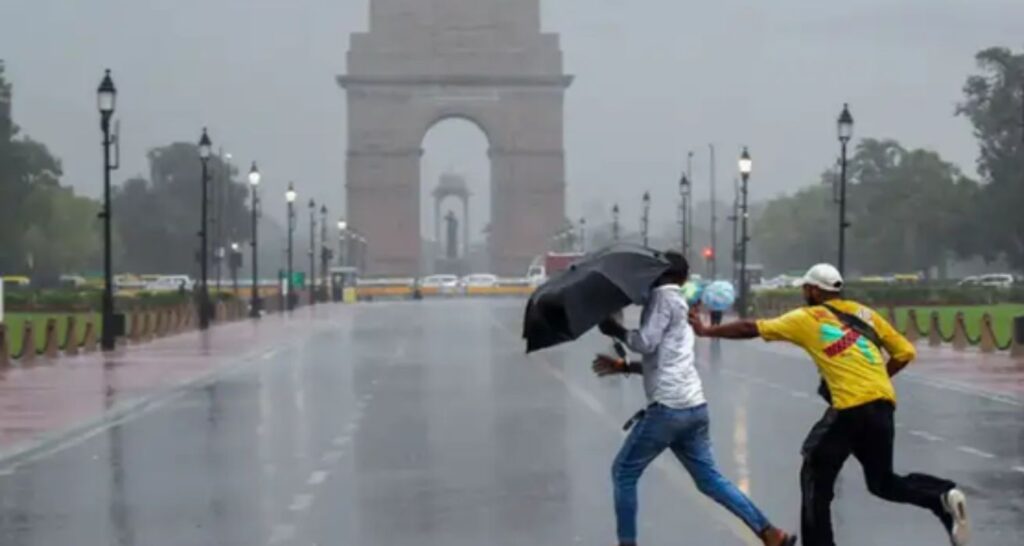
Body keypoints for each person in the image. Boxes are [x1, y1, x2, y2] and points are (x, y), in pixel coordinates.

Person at [687, 263, 970, 546]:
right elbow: (905, 352)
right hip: (883, 404)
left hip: (850, 407)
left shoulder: (808, 317)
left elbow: (752, 327)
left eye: (804, 289)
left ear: (812, 290)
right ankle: (941, 496)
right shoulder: (864, 313)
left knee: (814, 474)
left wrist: (706, 331)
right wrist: (877, 377)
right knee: (882, 482)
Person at [595, 251, 796, 546]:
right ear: (685, 277)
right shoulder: (680, 302)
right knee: (710, 480)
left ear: (660, 273)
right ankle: (770, 533)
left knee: (623, 472)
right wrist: (624, 366)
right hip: (694, 408)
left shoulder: (662, 298)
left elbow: (646, 343)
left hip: (668, 410)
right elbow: (668, 361)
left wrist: (618, 331)